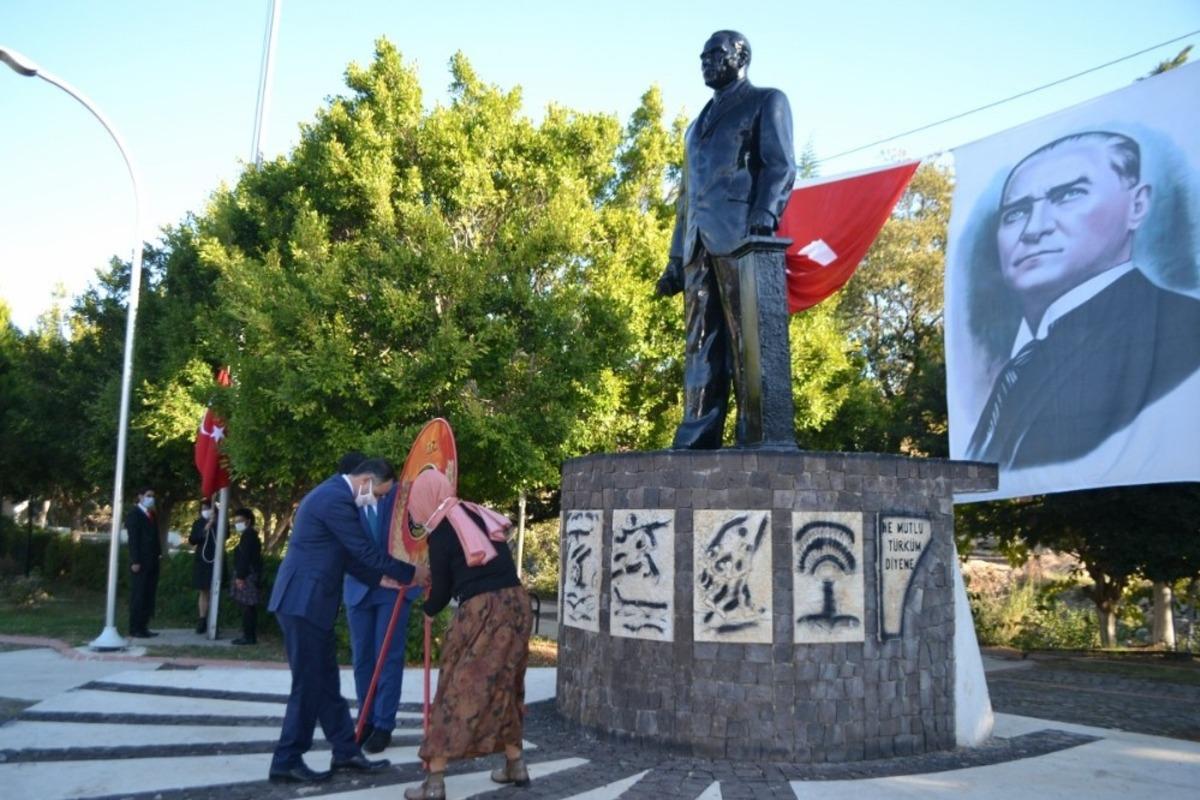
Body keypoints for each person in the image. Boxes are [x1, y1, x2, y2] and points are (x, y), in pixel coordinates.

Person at [965, 131, 1200, 469]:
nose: (1034, 229)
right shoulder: (1019, 361)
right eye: (1015, 213)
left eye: (1069, 195)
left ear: (1137, 205)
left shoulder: (1183, 330)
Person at [656, 29, 796, 449]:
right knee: (700, 341)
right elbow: (686, 197)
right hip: (697, 243)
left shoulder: (766, 100)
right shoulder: (695, 126)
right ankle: (697, 434)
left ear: (741, 56)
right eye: (702, 56)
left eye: (714, 54)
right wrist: (675, 258)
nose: (705, 61)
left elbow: (780, 165)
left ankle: (757, 436)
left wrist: (765, 215)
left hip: (741, 237)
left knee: (746, 340)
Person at [267, 457, 430, 785]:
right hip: (303, 602)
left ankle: (345, 751)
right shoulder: (334, 499)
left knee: (326, 684)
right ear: (366, 480)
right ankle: (286, 759)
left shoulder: (334, 496)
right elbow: (363, 550)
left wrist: (379, 580)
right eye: (381, 494)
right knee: (309, 685)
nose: (381, 500)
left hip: (310, 604)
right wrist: (412, 572)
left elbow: (346, 555)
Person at [404, 468, 532, 800]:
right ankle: (515, 764)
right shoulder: (476, 512)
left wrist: (429, 610)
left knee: (458, 692)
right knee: (506, 686)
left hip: (485, 612)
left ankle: (434, 782)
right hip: (517, 605)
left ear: (424, 499)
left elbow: (444, 588)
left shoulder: (442, 532)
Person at [338, 452, 423, 754]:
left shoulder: (398, 495)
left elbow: (420, 528)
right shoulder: (345, 500)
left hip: (394, 588)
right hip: (359, 589)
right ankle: (366, 720)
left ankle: (384, 725)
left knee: (387, 657)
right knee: (363, 659)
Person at [126, 486, 161, 639]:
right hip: (140, 561)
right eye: (148, 495)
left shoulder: (151, 514)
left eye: (152, 496)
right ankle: (135, 627)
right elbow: (133, 539)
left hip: (152, 560)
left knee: (148, 594)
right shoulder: (134, 514)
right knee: (139, 594)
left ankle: (144, 626)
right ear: (140, 497)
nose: (151, 498)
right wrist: (135, 560)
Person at [230, 507, 263, 646]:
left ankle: (248, 636)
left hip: (247, 575)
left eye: (240, 521)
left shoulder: (248, 536)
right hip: (249, 574)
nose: (237, 524)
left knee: (248, 606)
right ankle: (249, 635)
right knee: (248, 607)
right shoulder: (250, 535)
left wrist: (240, 577)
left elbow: (245, 557)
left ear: (248, 521)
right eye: (235, 521)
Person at [188, 499, 220, 634]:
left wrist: (215, 522)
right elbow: (192, 540)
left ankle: (214, 621)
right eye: (203, 508)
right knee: (203, 591)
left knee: (215, 592)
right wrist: (205, 528)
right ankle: (202, 620)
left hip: (216, 560)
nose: (205, 510)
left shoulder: (220, 523)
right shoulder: (199, 523)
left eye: (208, 508)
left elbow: (226, 535)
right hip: (203, 560)